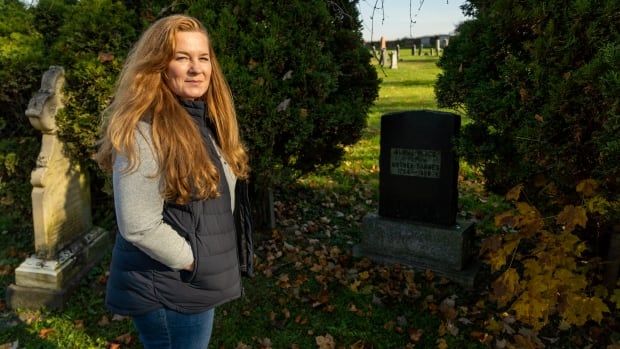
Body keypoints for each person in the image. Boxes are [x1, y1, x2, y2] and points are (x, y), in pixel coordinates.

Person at [96, 14, 250, 349]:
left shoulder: (200, 118)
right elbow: (138, 225)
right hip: (169, 288)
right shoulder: (145, 129)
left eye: (203, 58)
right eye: (182, 58)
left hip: (190, 283)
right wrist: (196, 261)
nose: (196, 68)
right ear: (160, 66)